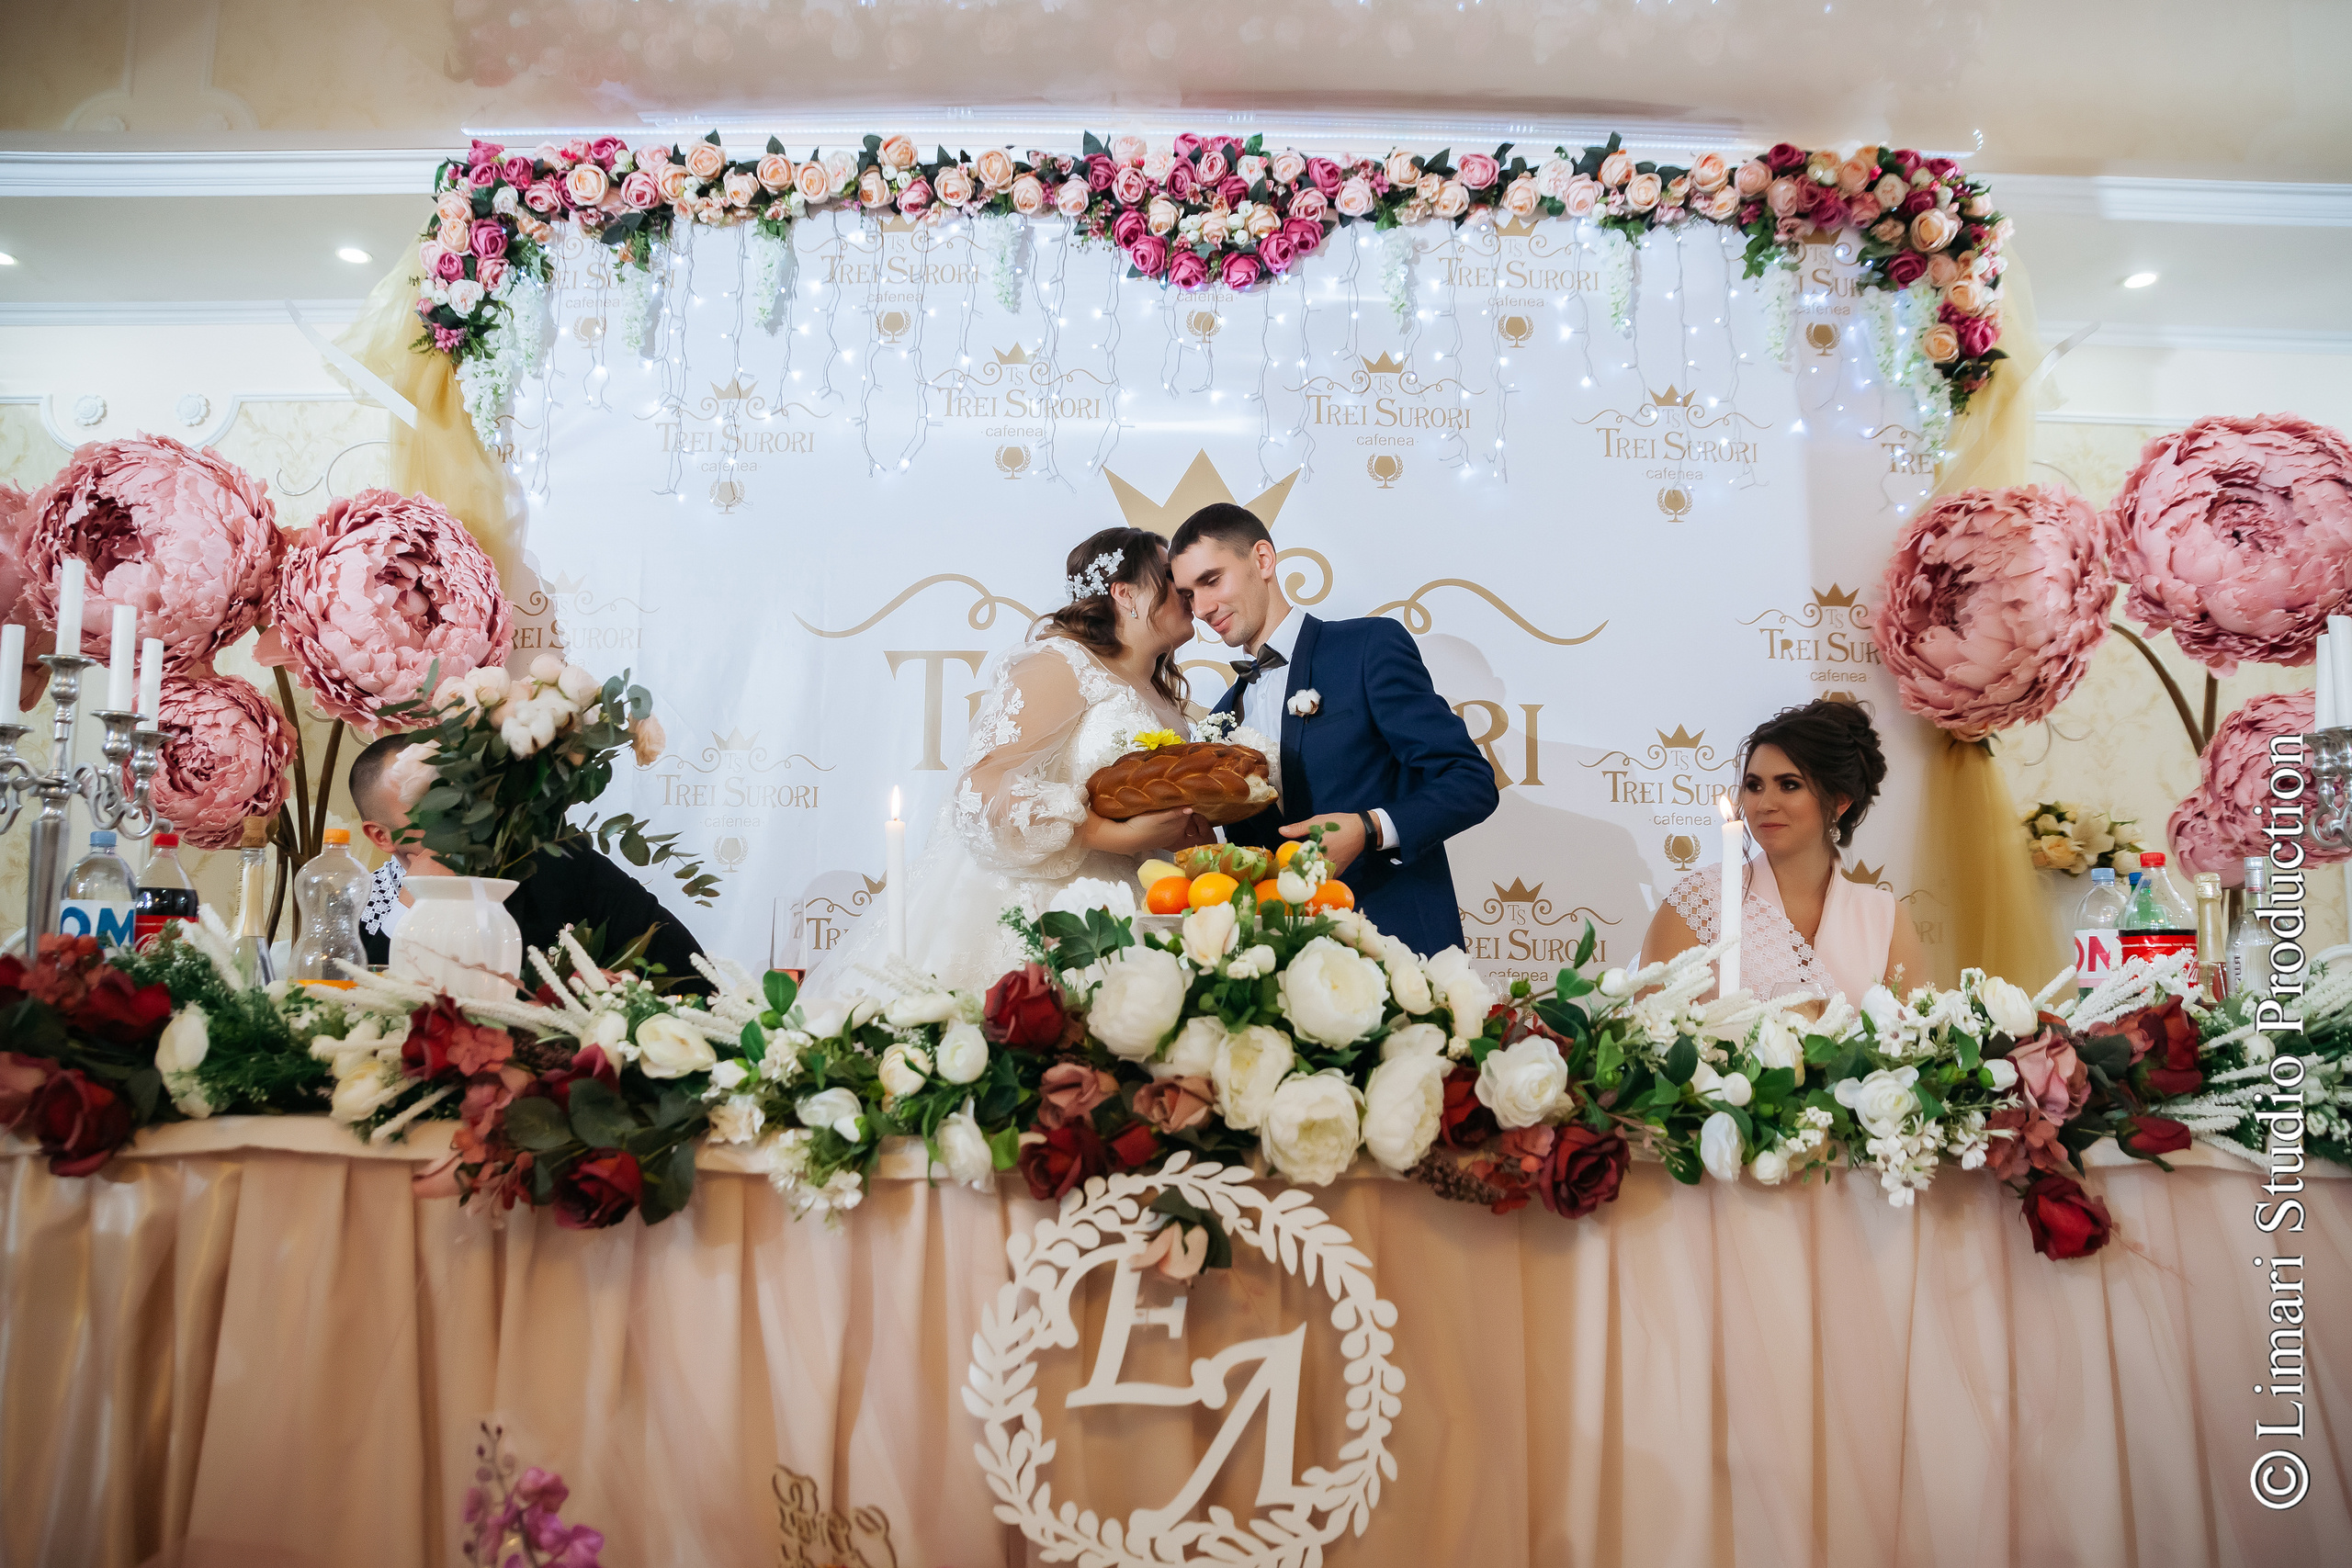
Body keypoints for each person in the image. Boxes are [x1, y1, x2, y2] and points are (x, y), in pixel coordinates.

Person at [803, 526, 1208, 998]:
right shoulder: (1062, 663)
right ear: (1125, 593)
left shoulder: (1160, 694)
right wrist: (1109, 834)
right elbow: (982, 785)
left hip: (1140, 902)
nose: (1185, 588)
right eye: (1168, 575)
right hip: (1045, 907)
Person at [1169, 503, 1499, 960]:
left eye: (1211, 580)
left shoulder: (1366, 647)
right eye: (1188, 595)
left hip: (1397, 947)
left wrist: (1368, 828)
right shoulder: (1222, 718)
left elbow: (1470, 781)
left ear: (1263, 560)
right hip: (1283, 966)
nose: (1202, 608)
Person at [345, 730, 711, 990]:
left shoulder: (561, 863)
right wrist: (413, 900)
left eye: (456, 792)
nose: (458, 814)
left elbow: (692, 972)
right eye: (428, 807)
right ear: (382, 836)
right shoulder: (364, 901)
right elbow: (355, 1004)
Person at [1638, 698, 1925, 1005]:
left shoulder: (1884, 917)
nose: (1764, 805)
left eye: (1788, 785)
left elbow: (1915, 1041)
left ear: (1841, 801)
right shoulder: (1699, 902)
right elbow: (1652, 1035)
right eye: (1754, 785)